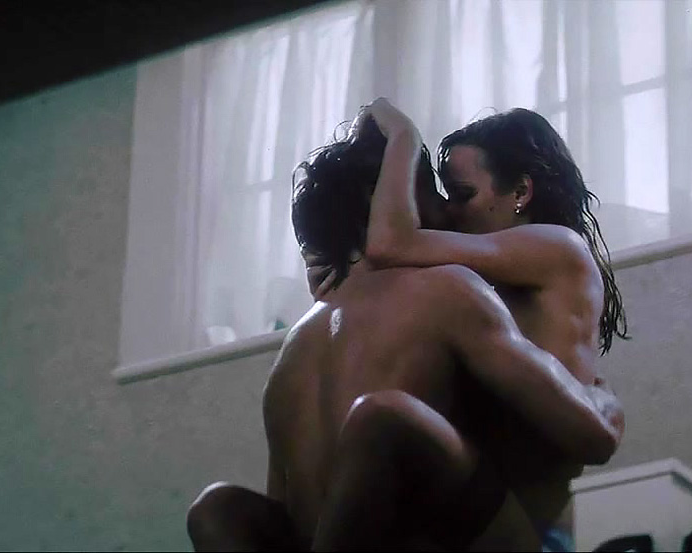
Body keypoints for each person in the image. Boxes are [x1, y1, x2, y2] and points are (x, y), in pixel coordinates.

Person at [186, 116, 624, 551]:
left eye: (461, 194)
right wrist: (601, 405)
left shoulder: (292, 350)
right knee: (225, 503)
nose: (448, 211)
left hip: (514, 517)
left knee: (378, 422)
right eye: (440, 193)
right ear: (390, 204)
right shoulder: (448, 290)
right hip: (470, 529)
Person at [362, 99, 630, 551]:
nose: (451, 213)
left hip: (531, 535)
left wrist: (403, 135)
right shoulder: (493, 275)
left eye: (463, 195)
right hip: (494, 523)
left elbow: (390, 244)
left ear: (521, 192)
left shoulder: (556, 247)